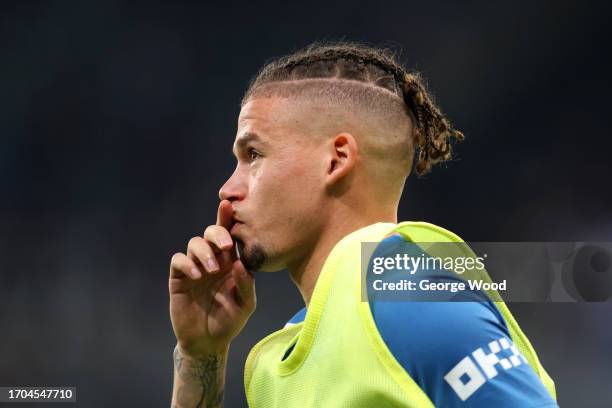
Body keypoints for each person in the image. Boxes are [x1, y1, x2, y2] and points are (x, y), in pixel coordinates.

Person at [168, 42, 558, 407]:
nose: (227, 189)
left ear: (335, 160)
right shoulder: (290, 355)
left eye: (254, 154)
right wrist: (201, 353)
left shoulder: (409, 298)